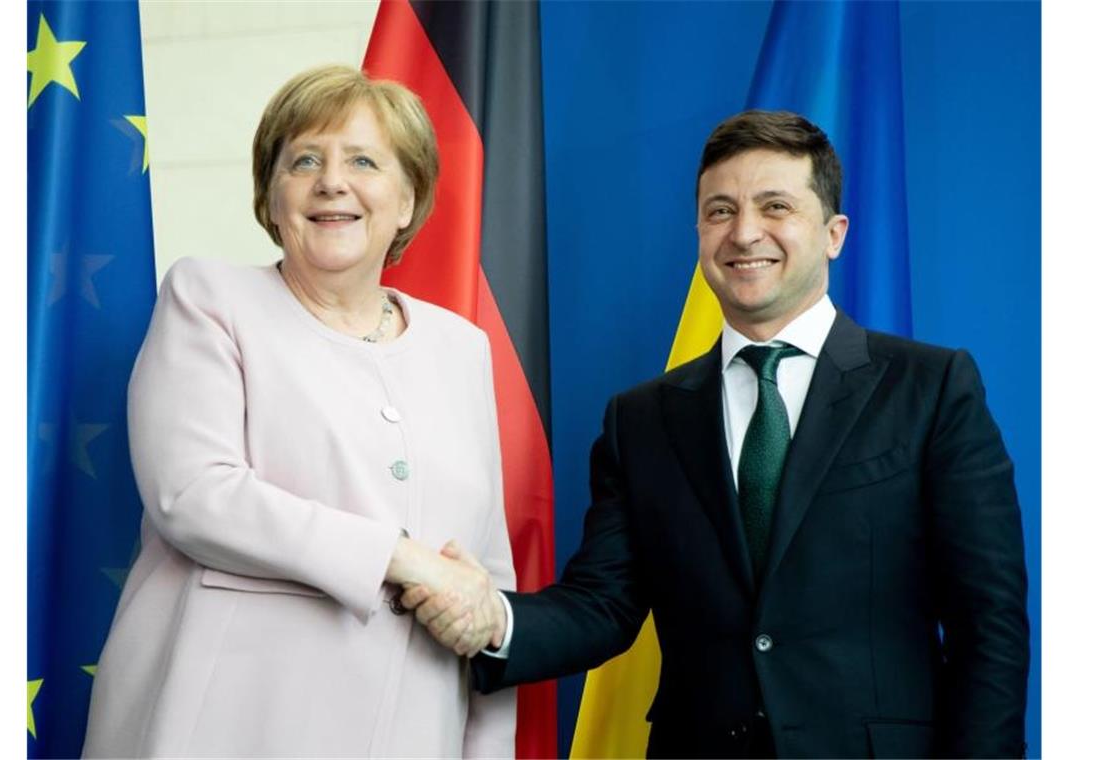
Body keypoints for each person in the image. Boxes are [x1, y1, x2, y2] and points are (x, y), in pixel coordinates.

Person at [403, 110, 1029, 758]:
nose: (745, 232)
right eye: (720, 211)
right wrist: (491, 617)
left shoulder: (930, 388)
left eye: (775, 206)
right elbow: (602, 607)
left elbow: (990, 627)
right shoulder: (641, 420)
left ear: (834, 232)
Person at [82, 65, 515, 758]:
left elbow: (483, 578)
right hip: (229, 727)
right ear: (271, 196)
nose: (332, 182)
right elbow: (193, 494)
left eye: (365, 161)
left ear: (408, 200)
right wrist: (401, 559)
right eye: (305, 160)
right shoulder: (208, 297)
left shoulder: (463, 348)